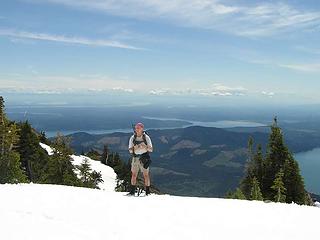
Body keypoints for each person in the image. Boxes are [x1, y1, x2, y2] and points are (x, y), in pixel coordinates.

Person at [128, 122, 153, 195]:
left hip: (144, 158)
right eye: (136, 128)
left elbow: (151, 149)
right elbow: (129, 150)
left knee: (146, 175)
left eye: (138, 128)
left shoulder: (146, 137)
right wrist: (135, 148)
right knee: (134, 175)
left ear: (142, 129)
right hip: (135, 158)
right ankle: (132, 191)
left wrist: (144, 146)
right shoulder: (132, 138)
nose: (136, 130)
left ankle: (148, 192)